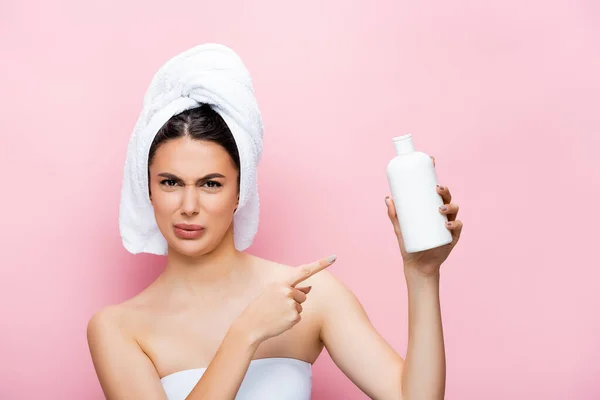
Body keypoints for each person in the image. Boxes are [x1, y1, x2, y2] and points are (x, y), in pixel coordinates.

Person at [87, 50, 463, 400]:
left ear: (241, 190)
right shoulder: (118, 328)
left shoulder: (309, 294)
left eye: (210, 184)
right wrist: (246, 332)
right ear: (147, 188)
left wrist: (423, 274)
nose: (188, 206)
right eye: (170, 182)